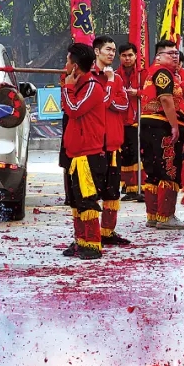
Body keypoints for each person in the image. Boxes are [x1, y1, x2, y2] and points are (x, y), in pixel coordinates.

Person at [62, 42, 109, 259]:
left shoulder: (92, 86)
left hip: (88, 154)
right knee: (77, 200)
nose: (65, 64)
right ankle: (81, 242)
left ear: (75, 66)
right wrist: (69, 86)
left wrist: (67, 87)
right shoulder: (79, 85)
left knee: (87, 200)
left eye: (68, 60)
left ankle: (92, 244)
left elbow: (73, 110)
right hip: (76, 154)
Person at [140, 40, 184, 230]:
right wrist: (174, 126)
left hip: (149, 125)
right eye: (170, 53)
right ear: (158, 57)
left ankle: (153, 215)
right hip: (162, 125)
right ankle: (166, 215)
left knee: (153, 170)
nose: (175, 56)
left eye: (177, 53)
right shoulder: (163, 72)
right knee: (169, 169)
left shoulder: (156, 72)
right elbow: (166, 100)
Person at [92, 35, 131, 247]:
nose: (111, 53)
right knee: (92, 192)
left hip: (114, 142)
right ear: (96, 52)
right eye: (108, 49)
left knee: (112, 191)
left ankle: (108, 231)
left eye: (113, 50)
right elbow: (102, 104)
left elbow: (124, 105)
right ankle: (90, 235)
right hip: (95, 143)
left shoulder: (117, 77)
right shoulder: (90, 77)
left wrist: (112, 89)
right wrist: (109, 84)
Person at [117, 42, 144, 201]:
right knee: (125, 155)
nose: (127, 58)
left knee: (138, 154)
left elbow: (150, 92)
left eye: (130, 55)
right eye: (124, 56)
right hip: (121, 121)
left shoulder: (143, 73)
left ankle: (141, 186)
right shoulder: (114, 75)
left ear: (136, 56)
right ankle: (130, 187)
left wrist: (137, 92)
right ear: (119, 57)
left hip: (138, 120)